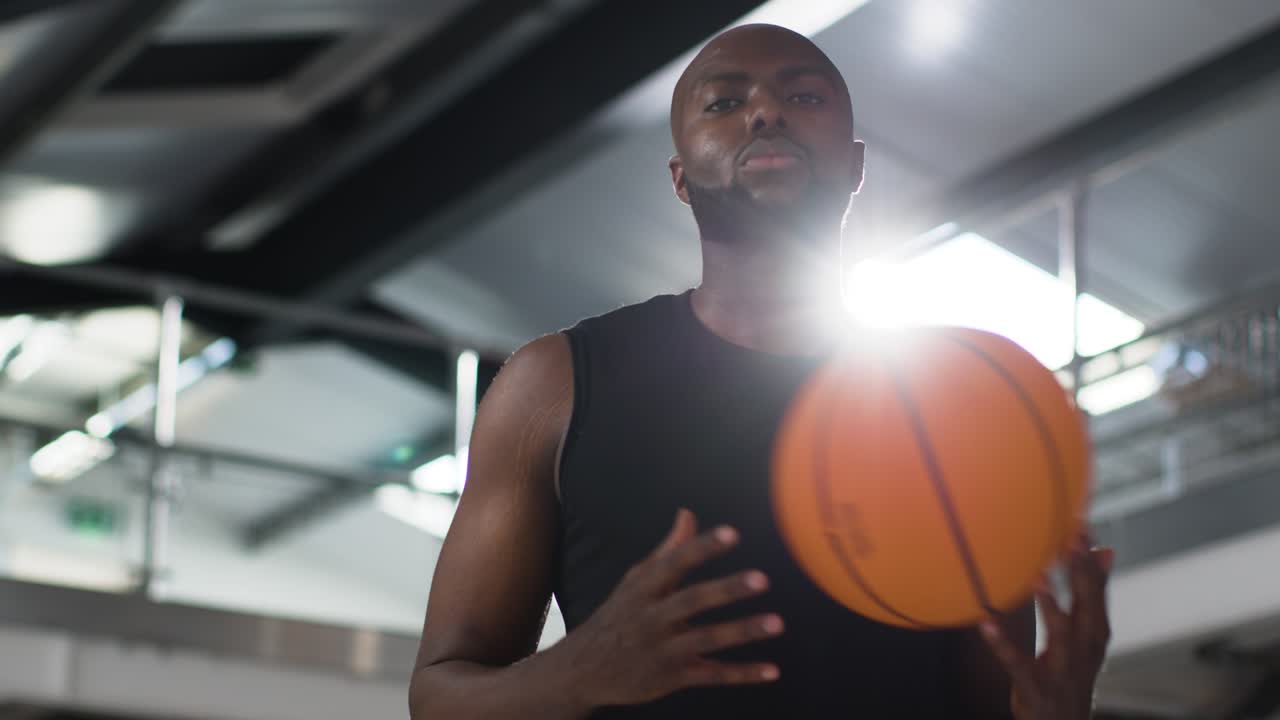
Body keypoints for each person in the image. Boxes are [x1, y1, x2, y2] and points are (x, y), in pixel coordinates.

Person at [408, 23, 1113, 719]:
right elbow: (438, 696)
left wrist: (1057, 709)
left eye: (804, 98)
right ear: (681, 179)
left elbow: (992, 700)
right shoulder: (554, 386)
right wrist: (575, 671)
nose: (767, 113)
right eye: (723, 103)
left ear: (857, 164)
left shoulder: (953, 405)